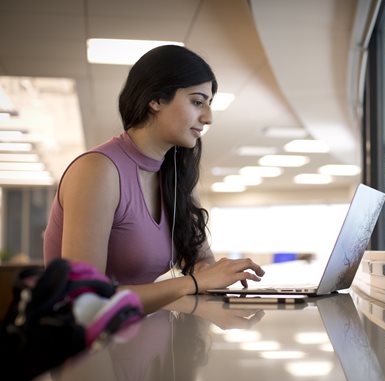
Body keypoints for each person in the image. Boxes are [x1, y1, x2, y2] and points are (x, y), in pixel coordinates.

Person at [43, 45, 264, 313]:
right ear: (156, 100)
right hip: (85, 349)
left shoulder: (176, 173)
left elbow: (200, 259)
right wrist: (192, 283)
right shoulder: (98, 170)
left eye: (209, 104)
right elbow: (85, 299)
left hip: (134, 336)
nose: (208, 117)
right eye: (197, 102)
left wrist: (213, 272)